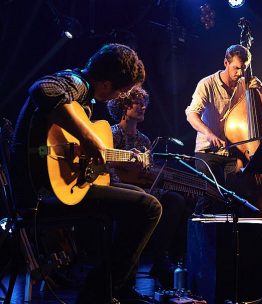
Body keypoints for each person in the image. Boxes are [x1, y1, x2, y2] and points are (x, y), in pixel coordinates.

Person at [10, 43, 162, 303]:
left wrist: (113, 161)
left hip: (45, 187)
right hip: (39, 193)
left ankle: (116, 287)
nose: (117, 98)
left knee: (139, 197)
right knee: (149, 208)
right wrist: (90, 138)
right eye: (120, 91)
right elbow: (42, 88)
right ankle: (98, 294)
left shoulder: (83, 95)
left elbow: (77, 159)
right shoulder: (76, 82)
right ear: (105, 83)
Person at [107, 86, 188, 288]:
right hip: (120, 190)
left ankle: (161, 257)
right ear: (124, 107)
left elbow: (148, 174)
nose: (143, 106)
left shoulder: (144, 140)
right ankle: (130, 273)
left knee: (175, 200)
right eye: (137, 102)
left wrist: (154, 175)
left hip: (143, 190)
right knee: (142, 204)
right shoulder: (111, 134)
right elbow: (105, 167)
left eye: (144, 103)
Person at [185, 44, 262, 214]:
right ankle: (203, 237)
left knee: (236, 199)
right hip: (208, 152)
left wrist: (261, 88)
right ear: (226, 63)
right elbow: (192, 115)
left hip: (235, 152)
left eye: (243, 69)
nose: (240, 73)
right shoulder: (207, 84)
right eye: (236, 68)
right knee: (209, 198)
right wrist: (209, 134)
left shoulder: (244, 84)